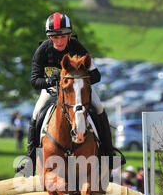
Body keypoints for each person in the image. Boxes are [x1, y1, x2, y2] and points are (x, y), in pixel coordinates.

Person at [17, 11, 117, 175]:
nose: (59, 41)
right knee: (36, 115)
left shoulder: (77, 47)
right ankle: (30, 160)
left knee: (99, 109)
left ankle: (108, 153)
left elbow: (96, 75)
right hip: (52, 91)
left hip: (77, 91)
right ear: (50, 37)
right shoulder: (42, 50)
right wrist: (51, 81)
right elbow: (35, 81)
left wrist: (79, 82)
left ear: (69, 35)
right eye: (55, 37)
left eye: (63, 36)